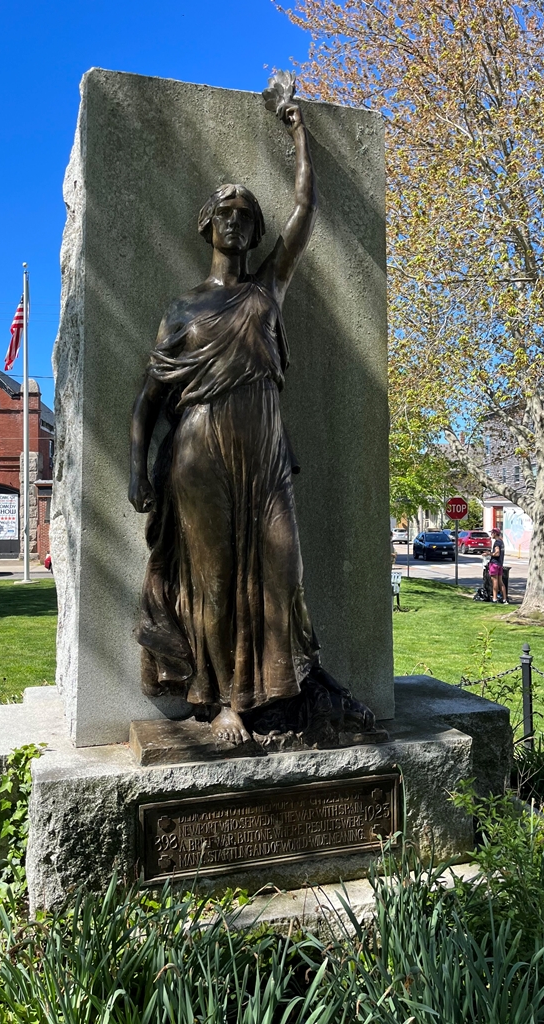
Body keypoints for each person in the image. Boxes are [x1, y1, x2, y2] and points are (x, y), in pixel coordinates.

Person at [128, 97, 324, 747]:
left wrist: (300, 132)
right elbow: (150, 402)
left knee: (281, 568)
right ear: (207, 225)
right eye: (226, 213)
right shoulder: (182, 310)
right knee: (210, 585)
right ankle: (220, 704)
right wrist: (137, 468)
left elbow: (304, 213)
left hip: (264, 453)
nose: (237, 221)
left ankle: (278, 695)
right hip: (199, 453)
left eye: (246, 214)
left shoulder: (267, 288)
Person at [489, 528, 507, 603]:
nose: (491, 534)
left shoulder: (497, 543)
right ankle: (504, 599)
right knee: (501, 582)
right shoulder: (501, 542)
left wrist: (488, 553)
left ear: (495, 533)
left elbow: (497, 553)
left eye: (492, 533)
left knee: (495, 581)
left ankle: (495, 598)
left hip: (494, 564)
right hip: (500, 564)